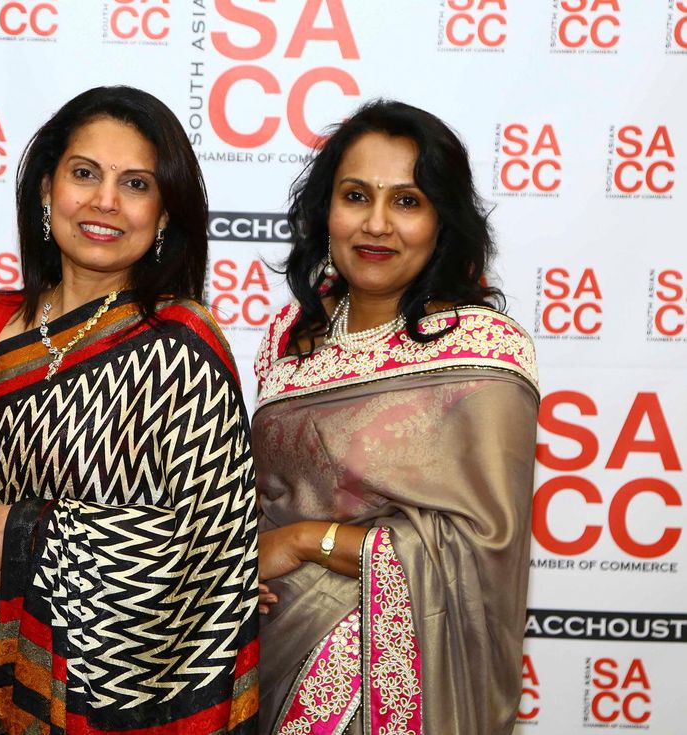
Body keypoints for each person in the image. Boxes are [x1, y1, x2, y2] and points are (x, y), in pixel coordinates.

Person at [0, 86, 259, 735]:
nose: (105, 201)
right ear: (45, 190)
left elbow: (207, 551)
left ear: (165, 212)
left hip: (115, 695)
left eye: (136, 182)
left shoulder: (184, 346)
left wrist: (27, 537)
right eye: (84, 173)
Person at [253, 99, 539, 735]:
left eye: (407, 202)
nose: (376, 224)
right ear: (325, 209)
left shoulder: (480, 348)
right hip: (267, 658)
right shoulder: (287, 338)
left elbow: (480, 549)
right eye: (356, 196)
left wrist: (306, 541)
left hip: (401, 677)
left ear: (443, 221)